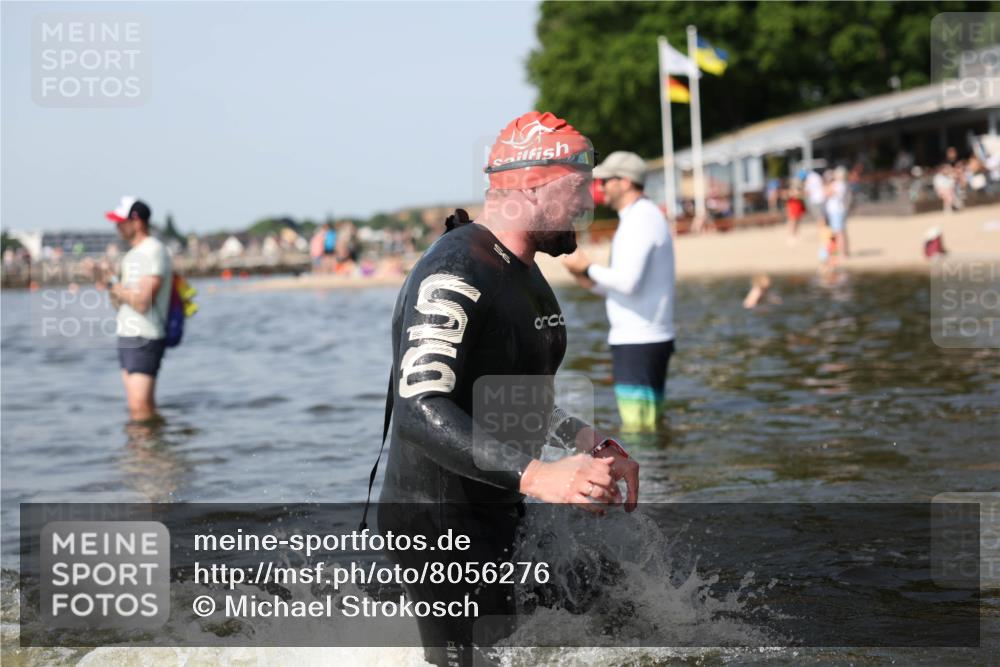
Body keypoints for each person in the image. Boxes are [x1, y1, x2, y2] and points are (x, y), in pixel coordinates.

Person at [376, 111, 639, 667]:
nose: (588, 202)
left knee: (618, 605)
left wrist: (584, 437)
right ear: (530, 187)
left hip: (501, 504)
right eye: (577, 188)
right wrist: (541, 476)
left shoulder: (524, 268)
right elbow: (418, 408)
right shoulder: (455, 269)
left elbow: (504, 391)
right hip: (439, 526)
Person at [561, 151, 676, 433]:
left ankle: (650, 465)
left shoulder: (640, 219)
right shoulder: (640, 216)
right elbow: (628, 287)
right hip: (643, 337)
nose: (599, 187)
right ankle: (659, 461)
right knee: (648, 426)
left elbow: (627, 283)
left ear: (625, 182)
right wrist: (585, 277)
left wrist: (588, 267)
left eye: (605, 181)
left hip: (640, 339)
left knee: (639, 430)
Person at [96, 197, 173, 421]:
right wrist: (107, 280)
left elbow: (142, 302)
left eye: (121, 221)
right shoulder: (132, 254)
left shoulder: (153, 250)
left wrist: (112, 283)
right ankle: (148, 443)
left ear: (137, 222)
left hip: (145, 335)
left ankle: (148, 443)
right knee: (138, 407)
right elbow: (120, 304)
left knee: (140, 408)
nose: (117, 226)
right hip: (129, 335)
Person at [824, 167, 850, 257]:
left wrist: (828, 183)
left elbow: (827, 193)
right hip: (837, 211)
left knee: (839, 232)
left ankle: (842, 251)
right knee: (840, 231)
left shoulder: (839, 184)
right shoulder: (840, 184)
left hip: (836, 211)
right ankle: (843, 251)